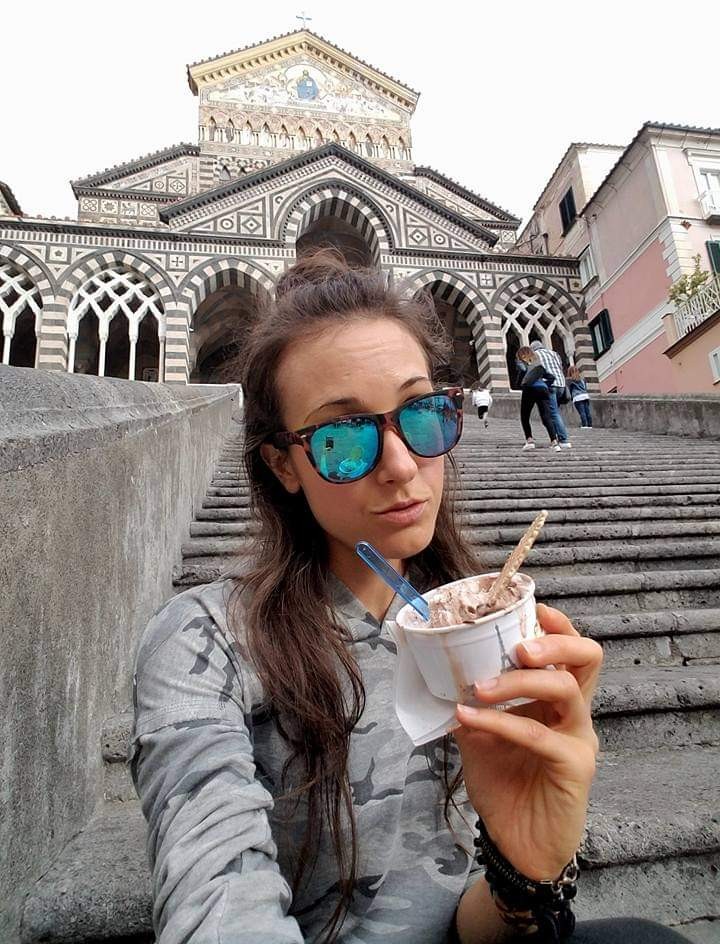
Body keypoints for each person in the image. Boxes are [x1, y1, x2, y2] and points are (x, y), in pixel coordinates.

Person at [131, 250, 690, 944]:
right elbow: (216, 897)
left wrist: (526, 869)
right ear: (282, 464)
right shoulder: (206, 639)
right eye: (341, 437)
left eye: (422, 413)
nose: (401, 466)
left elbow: (466, 923)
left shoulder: (466, 622)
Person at [515, 346, 561, 452]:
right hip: (543, 390)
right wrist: (544, 384)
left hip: (529, 389)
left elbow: (520, 378)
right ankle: (554, 442)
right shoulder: (539, 365)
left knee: (525, 416)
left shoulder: (523, 365)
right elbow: (551, 377)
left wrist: (521, 382)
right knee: (546, 416)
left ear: (522, 356)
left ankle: (530, 441)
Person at [530, 341, 572, 448]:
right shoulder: (554, 353)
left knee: (552, 413)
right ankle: (557, 437)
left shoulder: (535, 355)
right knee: (553, 412)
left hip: (549, 385)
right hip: (561, 385)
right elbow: (560, 367)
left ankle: (564, 440)